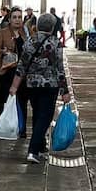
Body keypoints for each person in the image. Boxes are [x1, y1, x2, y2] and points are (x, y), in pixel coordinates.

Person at [10, 11, 70, 163]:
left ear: (37, 26)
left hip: (32, 85)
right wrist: (65, 91)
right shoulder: (55, 43)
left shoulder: (30, 41)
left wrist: (14, 86)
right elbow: (59, 69)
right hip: (50, 86)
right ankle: (32, 150)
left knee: (37, 114)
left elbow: (21, 65)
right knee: (46, 116)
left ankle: (41, 145)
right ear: (52, 27)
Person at [0, 8, 28, 135]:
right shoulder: (4, 32)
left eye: (19, 17)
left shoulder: (26, 33)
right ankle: (3, 126)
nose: (17, 20)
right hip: (5, 72)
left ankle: (21, 129)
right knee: (5, 99)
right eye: (15, 17)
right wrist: (3, 52)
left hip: (21, 73)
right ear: (10, 19)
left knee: (22, 100)